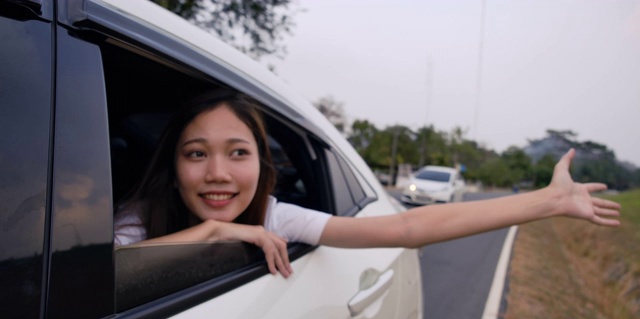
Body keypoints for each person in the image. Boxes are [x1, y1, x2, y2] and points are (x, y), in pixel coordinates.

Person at [114, 89, 621, 279]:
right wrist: (213, 233)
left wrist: (546, 201)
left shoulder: (273, 215)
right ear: (173, 166)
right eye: (196, 154)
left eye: (238, 153)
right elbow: (96, 283)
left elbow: (406, 228)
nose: (218, 173)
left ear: (262, 166)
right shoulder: (138, 218)